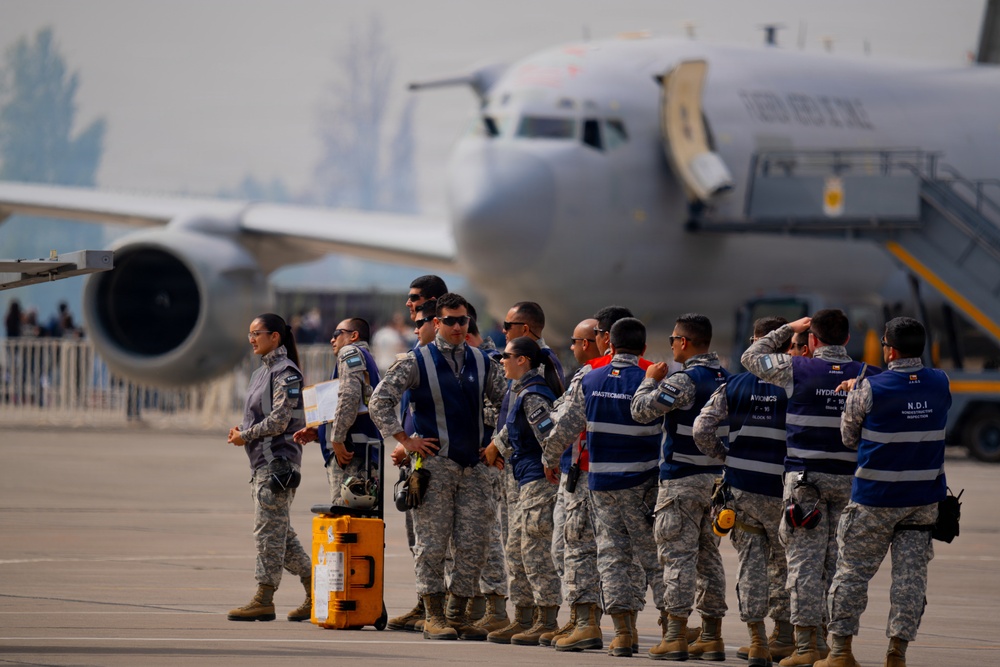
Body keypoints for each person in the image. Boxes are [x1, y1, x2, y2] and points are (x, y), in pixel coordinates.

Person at [742, 309, 878, 666]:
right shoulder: (868, 376)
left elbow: (750, 358)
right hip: (851, 482)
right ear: (848, 339)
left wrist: (790, 328)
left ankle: (805, 648)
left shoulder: (797, 369)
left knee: (803, 564)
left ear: (813, 340)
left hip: (806, 483)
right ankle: (832, 645)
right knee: (837, 565)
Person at [369, 292, 507, 641]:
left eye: (463, 321)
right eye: (450, 321)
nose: (458, 327)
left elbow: (508, 403)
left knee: (474, 546)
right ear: (436, 323)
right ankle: (433, 615)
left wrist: (497, 443)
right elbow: (379, 401)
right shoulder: (416, 361)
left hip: (474, 469)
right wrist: (405, 439)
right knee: (431, 546)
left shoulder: (482, 361)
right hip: (435, 467)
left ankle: (456, 614)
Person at [816, 318, 951, 667]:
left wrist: (858, 392)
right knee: (910, 579)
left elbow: (848, 437)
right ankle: (897, 655)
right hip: (922, 499)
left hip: (875, 499)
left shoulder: (871, 388)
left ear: (889, 348)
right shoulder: (940, 383)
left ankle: (841, 652)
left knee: (852, 573)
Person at [543, 317, 664, 658]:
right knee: (651, 558)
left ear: (607, 340)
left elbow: (565, 425)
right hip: (644, 483)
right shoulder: (653, 377)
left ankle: (622, 633)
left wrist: (550, 457)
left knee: (609, 555)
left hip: (599, 482)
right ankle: (673, 629)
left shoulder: (592, 377)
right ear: (643, 347)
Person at [692, 317, 794, 665]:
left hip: (744, 488)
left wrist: (727, 457)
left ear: (755, 343)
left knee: (751, 564)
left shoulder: (733, 385)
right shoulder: (796, 386)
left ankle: (757, 642)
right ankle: (784, 637)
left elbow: (702, 430)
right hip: (784, 491)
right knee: (783, 565)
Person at [631, 313, 730, 661]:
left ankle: (674, 635)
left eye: (674, 339)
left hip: (682, 482)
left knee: (677, 557)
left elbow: (642, 411)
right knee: (709, 558)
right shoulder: (727, 378)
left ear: (684, 342)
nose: (671, 345)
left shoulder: (686, 380)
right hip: (717, 484)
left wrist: (648, 381)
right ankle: (712, 635)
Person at [226, 313, 312, 623]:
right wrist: (244, 429)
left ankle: (264, 598)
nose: (252, 339)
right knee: (281, 536)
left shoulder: (286, 372)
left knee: (267, 534)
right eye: (250, 333)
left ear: (275, 337)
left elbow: (280, 420)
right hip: (261, 463)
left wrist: (244, 436)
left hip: (278, 464)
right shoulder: (261, 372)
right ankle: (317, 586)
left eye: (257, 333)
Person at [482, 336, 562, 645]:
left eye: (507, 356)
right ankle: (525, 616)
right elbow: (512, 429)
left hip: (539, 482)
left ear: (523, 360)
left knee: (535, 550)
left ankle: (547, 618)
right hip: (522, 479)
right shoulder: (521, 391)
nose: (502, 360)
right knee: (516, 550)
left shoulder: (533, 395)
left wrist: (550, 462)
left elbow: (549, 435)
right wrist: (494, 447)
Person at [293, 318, 382, 506]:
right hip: (362, 452)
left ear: (353, 336)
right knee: (360, 521)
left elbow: (349, 397)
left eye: (336, 334)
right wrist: (321, 432)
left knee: (347, 520)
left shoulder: (349, 352)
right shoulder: (367, 358)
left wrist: (337, 439)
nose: (332, 340)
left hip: (351, 454)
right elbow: (358, 406)